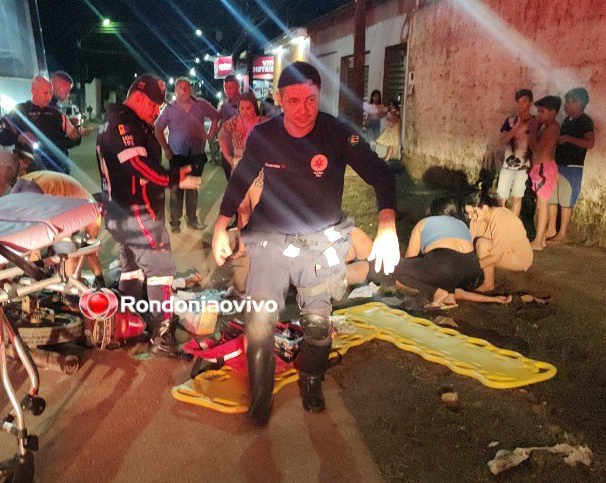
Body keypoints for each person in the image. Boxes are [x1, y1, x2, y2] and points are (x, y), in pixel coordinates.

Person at [211, 61, 399, 425]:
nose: (303, 110)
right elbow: (241, 179)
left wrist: (387, 223)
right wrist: (221, 223)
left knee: (316, 326)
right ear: (280, 99)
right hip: (271, 241)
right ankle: (261, 402)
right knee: (260, 321)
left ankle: (311, 377)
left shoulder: (337, 134)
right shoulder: (264, 136)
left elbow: (381, 173)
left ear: (319, 95)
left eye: (310, 100)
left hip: (319, 243)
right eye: (293, 101)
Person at [96, 74, 194, 357]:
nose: (157, 111)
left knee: (132, 268)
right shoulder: (123, 123)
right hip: (137, 212)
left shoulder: (118, 120)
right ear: (138, 98)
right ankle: (162, 335)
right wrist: (173, 178)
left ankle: (131, 324)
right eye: (154, 105)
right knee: (161, 271)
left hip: (118, 212)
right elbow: (138, 164)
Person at [347, 198, 511, 308]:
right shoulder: (462, 225)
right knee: (444, 278)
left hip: (444, 263)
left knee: (394, 270)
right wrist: (493, 299)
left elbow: (410, 261)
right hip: (470, 269)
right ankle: (447, 294)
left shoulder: (423, 223)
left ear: (432, 211)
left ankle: (437, 292)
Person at [10, 170, 104, 285]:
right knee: (67, 247)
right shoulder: (94, 211)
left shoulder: (78, 197)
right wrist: (100, 279)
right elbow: (90, 250)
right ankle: (70, 289)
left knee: (26, 235)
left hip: (23, 183)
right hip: (39, 189)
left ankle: (24, 276)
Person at [154, 77, 220, 232]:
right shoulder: (169, 108)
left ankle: (192, 220)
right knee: (176, 190)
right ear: (175, 91)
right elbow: (158, 130)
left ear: (191, 89)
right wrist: (166, 150)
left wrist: (210, 135)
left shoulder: (201, 104)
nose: (183, 90)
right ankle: (175, 223)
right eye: (180, 87)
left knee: (192, 189)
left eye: (186, 87)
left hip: (196, 155)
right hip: (177, 157)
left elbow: (216, 116)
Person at [0, 75, 80, 174]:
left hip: (57, 171)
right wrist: (19, 137)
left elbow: (67, 142)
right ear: (33, 91)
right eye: (45, 93)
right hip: (30, 173)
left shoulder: (58, 114)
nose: (49, 97)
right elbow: (2, 138)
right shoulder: (20, 111)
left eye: (51, 93)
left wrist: (76, 137)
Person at [549, 87, 595, 243]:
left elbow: (590, 143)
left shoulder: (585, 121)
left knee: (567, 200)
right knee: (555, 197)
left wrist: (569, 139)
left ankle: (563, 233)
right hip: (559, 164)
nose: (565, 106)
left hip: (573, 167)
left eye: (568, 102)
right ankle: (552, 229)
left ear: (578, 103)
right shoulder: (567, 121)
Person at [466, 194, 533, 292]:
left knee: (482, 244)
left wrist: (471, 268)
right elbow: (470, 247)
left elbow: (496, 256)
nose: (470, 216)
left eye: (472, 212)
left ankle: (488, 284)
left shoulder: (502, 217)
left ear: (484, 208)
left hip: (517, 257)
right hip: (498, 252)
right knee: (477, 247)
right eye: (468, 213)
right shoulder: (476, 220)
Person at [527, 95, 561, 250]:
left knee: (542, 205)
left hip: (544, 169)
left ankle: (539, 240)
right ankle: (540, 240)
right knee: (542, 204)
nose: (539, 115)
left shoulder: (553, 127)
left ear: (553, 112)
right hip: (540, 168)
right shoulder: (547, 127)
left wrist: (533, 130)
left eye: (542, 112)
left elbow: (537, 148)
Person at [496, 89, 534, 216]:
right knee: (501, 197)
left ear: (530, 102)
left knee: (518, 197)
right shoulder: (509, 121)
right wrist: (517, 124)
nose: (521, 105)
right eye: (518, 102)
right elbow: (503, 141)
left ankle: (513, 227)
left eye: (524, 101)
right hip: (507, 165)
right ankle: (499, 224)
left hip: (524, 167)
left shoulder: (535, 122)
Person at [218, 91, 267, 171]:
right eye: (242, 108)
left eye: (248, 108)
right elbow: (221, 136)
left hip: (257, 168)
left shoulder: (262, 122)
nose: (245, 112)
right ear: (238, 108)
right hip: (238, 168)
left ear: (254, 107)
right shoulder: (233, 122)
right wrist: (229, 158)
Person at [217, 75, 242, 178]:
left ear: (238, 87)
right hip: (227, 151)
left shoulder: (246, 103)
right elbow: (220, 125)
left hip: (242, 152)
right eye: (225, 88)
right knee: (230, 182)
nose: (228, 91)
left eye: (231, 88)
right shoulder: (224, 106)